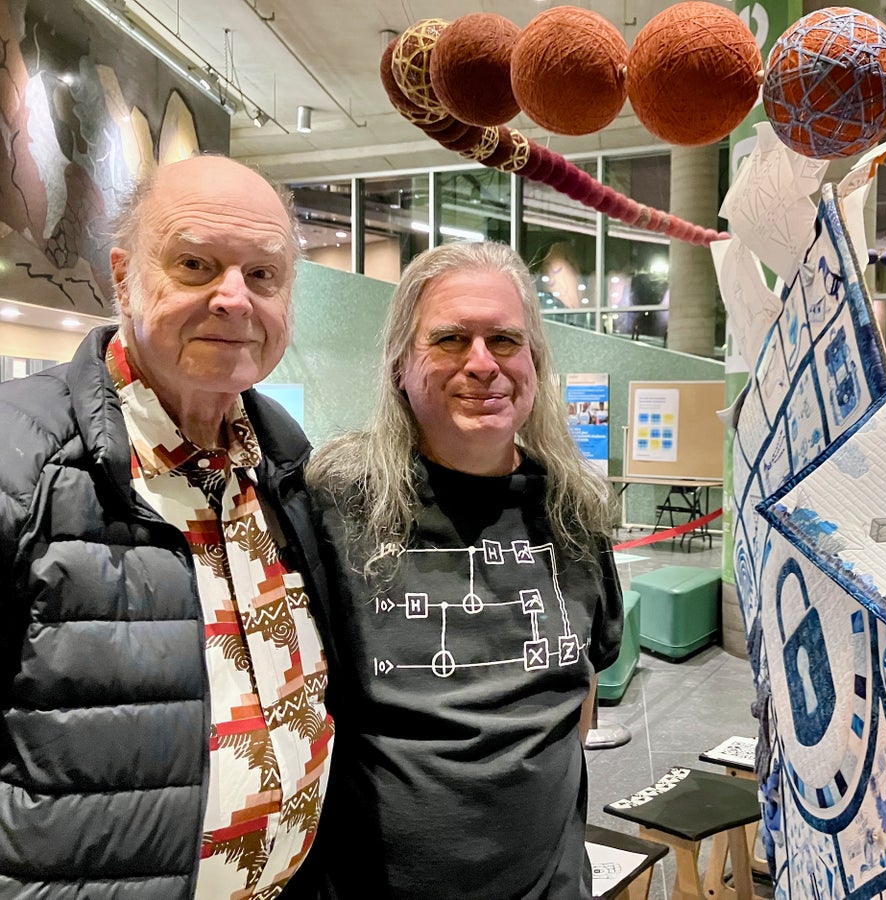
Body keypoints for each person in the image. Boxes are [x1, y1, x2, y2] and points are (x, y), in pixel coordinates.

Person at [0, 155, 334, 898]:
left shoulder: (285, 466)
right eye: (194, 264)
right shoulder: (19, 460)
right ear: (123, 277)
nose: (233, 299)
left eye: (264, 276)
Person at [305, 241, 623, 899]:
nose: (482, 365)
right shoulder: (335, 505)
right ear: (400, 365)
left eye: (505, 340)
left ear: (534, 363)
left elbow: (580, 690)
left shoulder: (574, 513)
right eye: (450, 340)